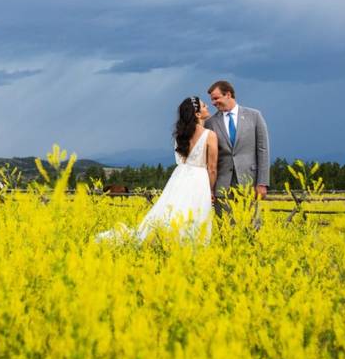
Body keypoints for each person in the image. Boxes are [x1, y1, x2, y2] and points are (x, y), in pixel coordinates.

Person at [96, 96, 218, 244]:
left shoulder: (180, 136)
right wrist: (211, 189)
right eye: (204, 106)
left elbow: (181, 160)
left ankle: (165, 240)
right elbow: (212, 168)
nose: (207, 108)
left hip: (180, 177)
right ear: (197, 114)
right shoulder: (210, 135)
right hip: (199, 179)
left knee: (173, 211)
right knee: (194, 213)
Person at [205, 80, 270, 218]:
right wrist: (209, 188)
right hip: (222, 186)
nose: (213, 103)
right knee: (225, 230)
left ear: (228, 94)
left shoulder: (254, 116)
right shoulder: (210, 122)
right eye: (211, 100)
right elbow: (208, 158)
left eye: (216, 98)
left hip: (249, 184)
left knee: (251, 228)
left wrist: (262, 183)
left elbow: (263, 150)